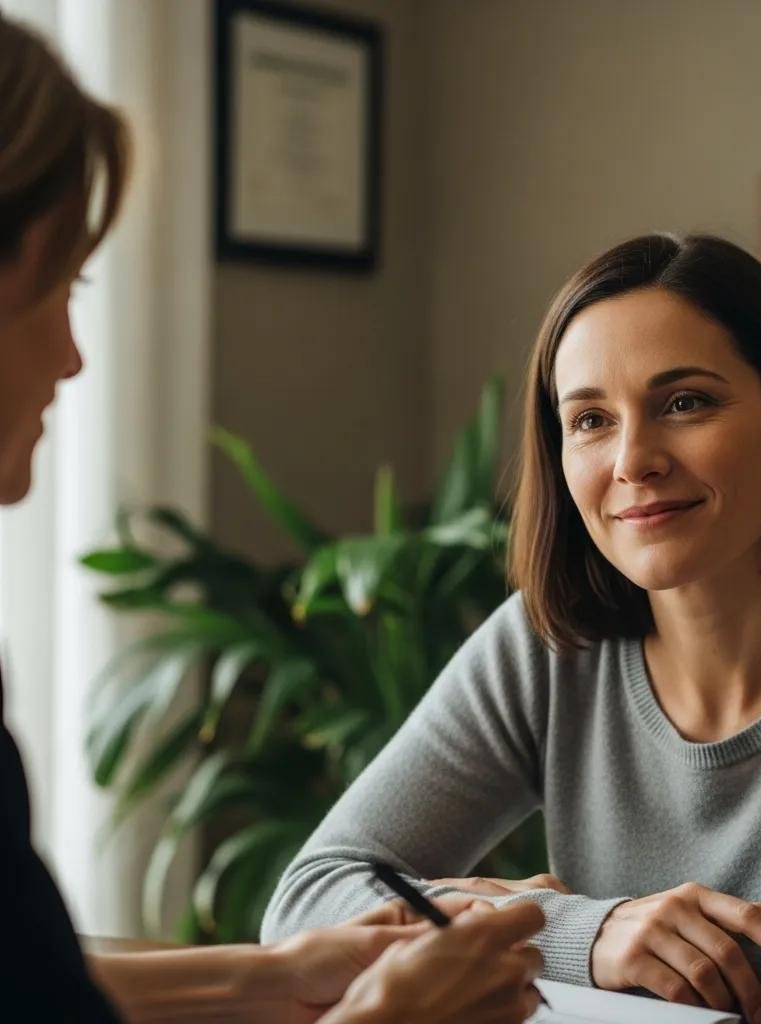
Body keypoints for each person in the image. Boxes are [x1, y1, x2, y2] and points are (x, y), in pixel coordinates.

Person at [261, 230, 761, 1024]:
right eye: (590, 420)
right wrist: (588, 937)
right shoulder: (544, 646)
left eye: (685, 403)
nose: (634, 460)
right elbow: (310, 901)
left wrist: (622, 952)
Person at [0, 14, 545, 1024]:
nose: (75, 356)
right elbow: (325, 876)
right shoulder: (546, 643)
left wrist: (274, 975)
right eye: (62, 285)